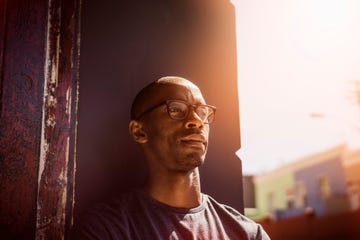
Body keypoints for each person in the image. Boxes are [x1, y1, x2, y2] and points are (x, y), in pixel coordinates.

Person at [70, 76, 270, 240]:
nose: (196, 121)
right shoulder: (107, 229)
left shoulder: (248, 233)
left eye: (202, 112)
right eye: (176, 109)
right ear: (139, 131)